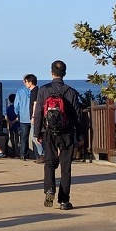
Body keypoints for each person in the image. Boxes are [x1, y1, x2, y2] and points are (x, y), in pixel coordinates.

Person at [33, 60, 81, 210]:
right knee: (66, 167)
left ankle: (49, 189)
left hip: (49, 132)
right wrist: (80, 135)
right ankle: (64, 201)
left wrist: (37, 133)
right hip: (67, 133)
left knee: (49, 162)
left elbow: (38, 113)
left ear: (51, 72)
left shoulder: (43, 90)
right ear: (64, 73)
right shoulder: (71, 92)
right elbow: (77, 116)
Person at [13, 74, 42, 162]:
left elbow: (16, 105)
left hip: (23, 117)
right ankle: (37, 155)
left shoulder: (20, 91)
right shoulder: (36, 91)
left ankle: (23, 154)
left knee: (24, 137)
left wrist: (17, 113)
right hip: (33, 117)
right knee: (35, 136)